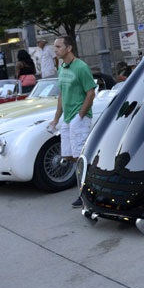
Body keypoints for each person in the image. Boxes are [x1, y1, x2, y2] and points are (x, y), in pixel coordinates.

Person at [47, 36, 96, 208]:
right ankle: (87, 186)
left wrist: (81, 115)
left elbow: (91, 92)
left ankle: (86, 193)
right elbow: (62, 96)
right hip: (68, 118)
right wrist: (56, 119)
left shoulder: (80, 67)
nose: (55, 50)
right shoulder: (62, 68)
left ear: (69, 48)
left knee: (80, 155)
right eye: (55, 47)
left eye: (58, 46)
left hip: (78, 118)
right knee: (69, 155)